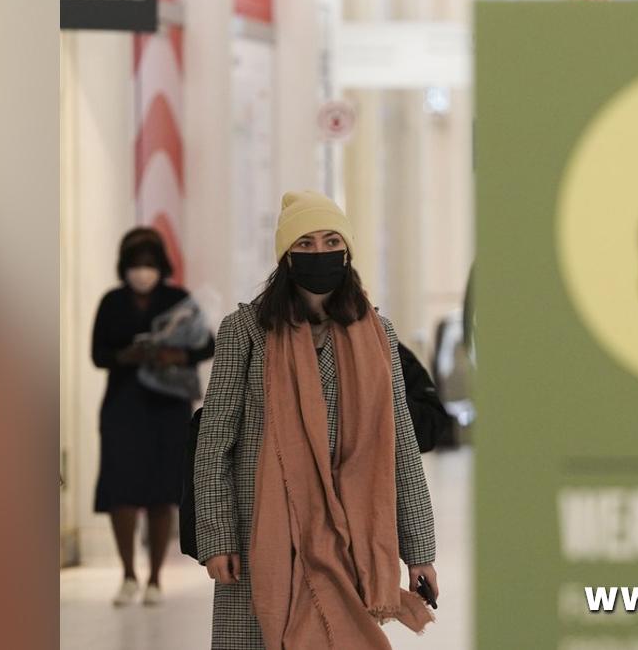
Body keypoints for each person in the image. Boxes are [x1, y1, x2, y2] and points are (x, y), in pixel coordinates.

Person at [194, 190, 438, 649]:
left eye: (331, 241)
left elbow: (400, 446)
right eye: (304, 243)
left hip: (345, 535)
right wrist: (217, 537)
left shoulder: (378, 334)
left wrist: (419, 551)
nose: (319, 251)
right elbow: (214, 443)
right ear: (286, 255)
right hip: (260, 535)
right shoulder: (245, 330)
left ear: (347, 251)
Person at [92, 227, 215, 606]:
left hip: (168, 407)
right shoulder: (112, 302)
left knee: (163, 491)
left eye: (148, 263)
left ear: (160, 265)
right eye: (135, 264)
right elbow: (98, 354)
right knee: (121, 490)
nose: (142, 271)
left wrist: (176, 355)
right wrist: (126, 356)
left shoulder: (177, 299)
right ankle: (128, 574)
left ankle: (156, 578)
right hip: (123, 404)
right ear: (124, 267)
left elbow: (207, 344)